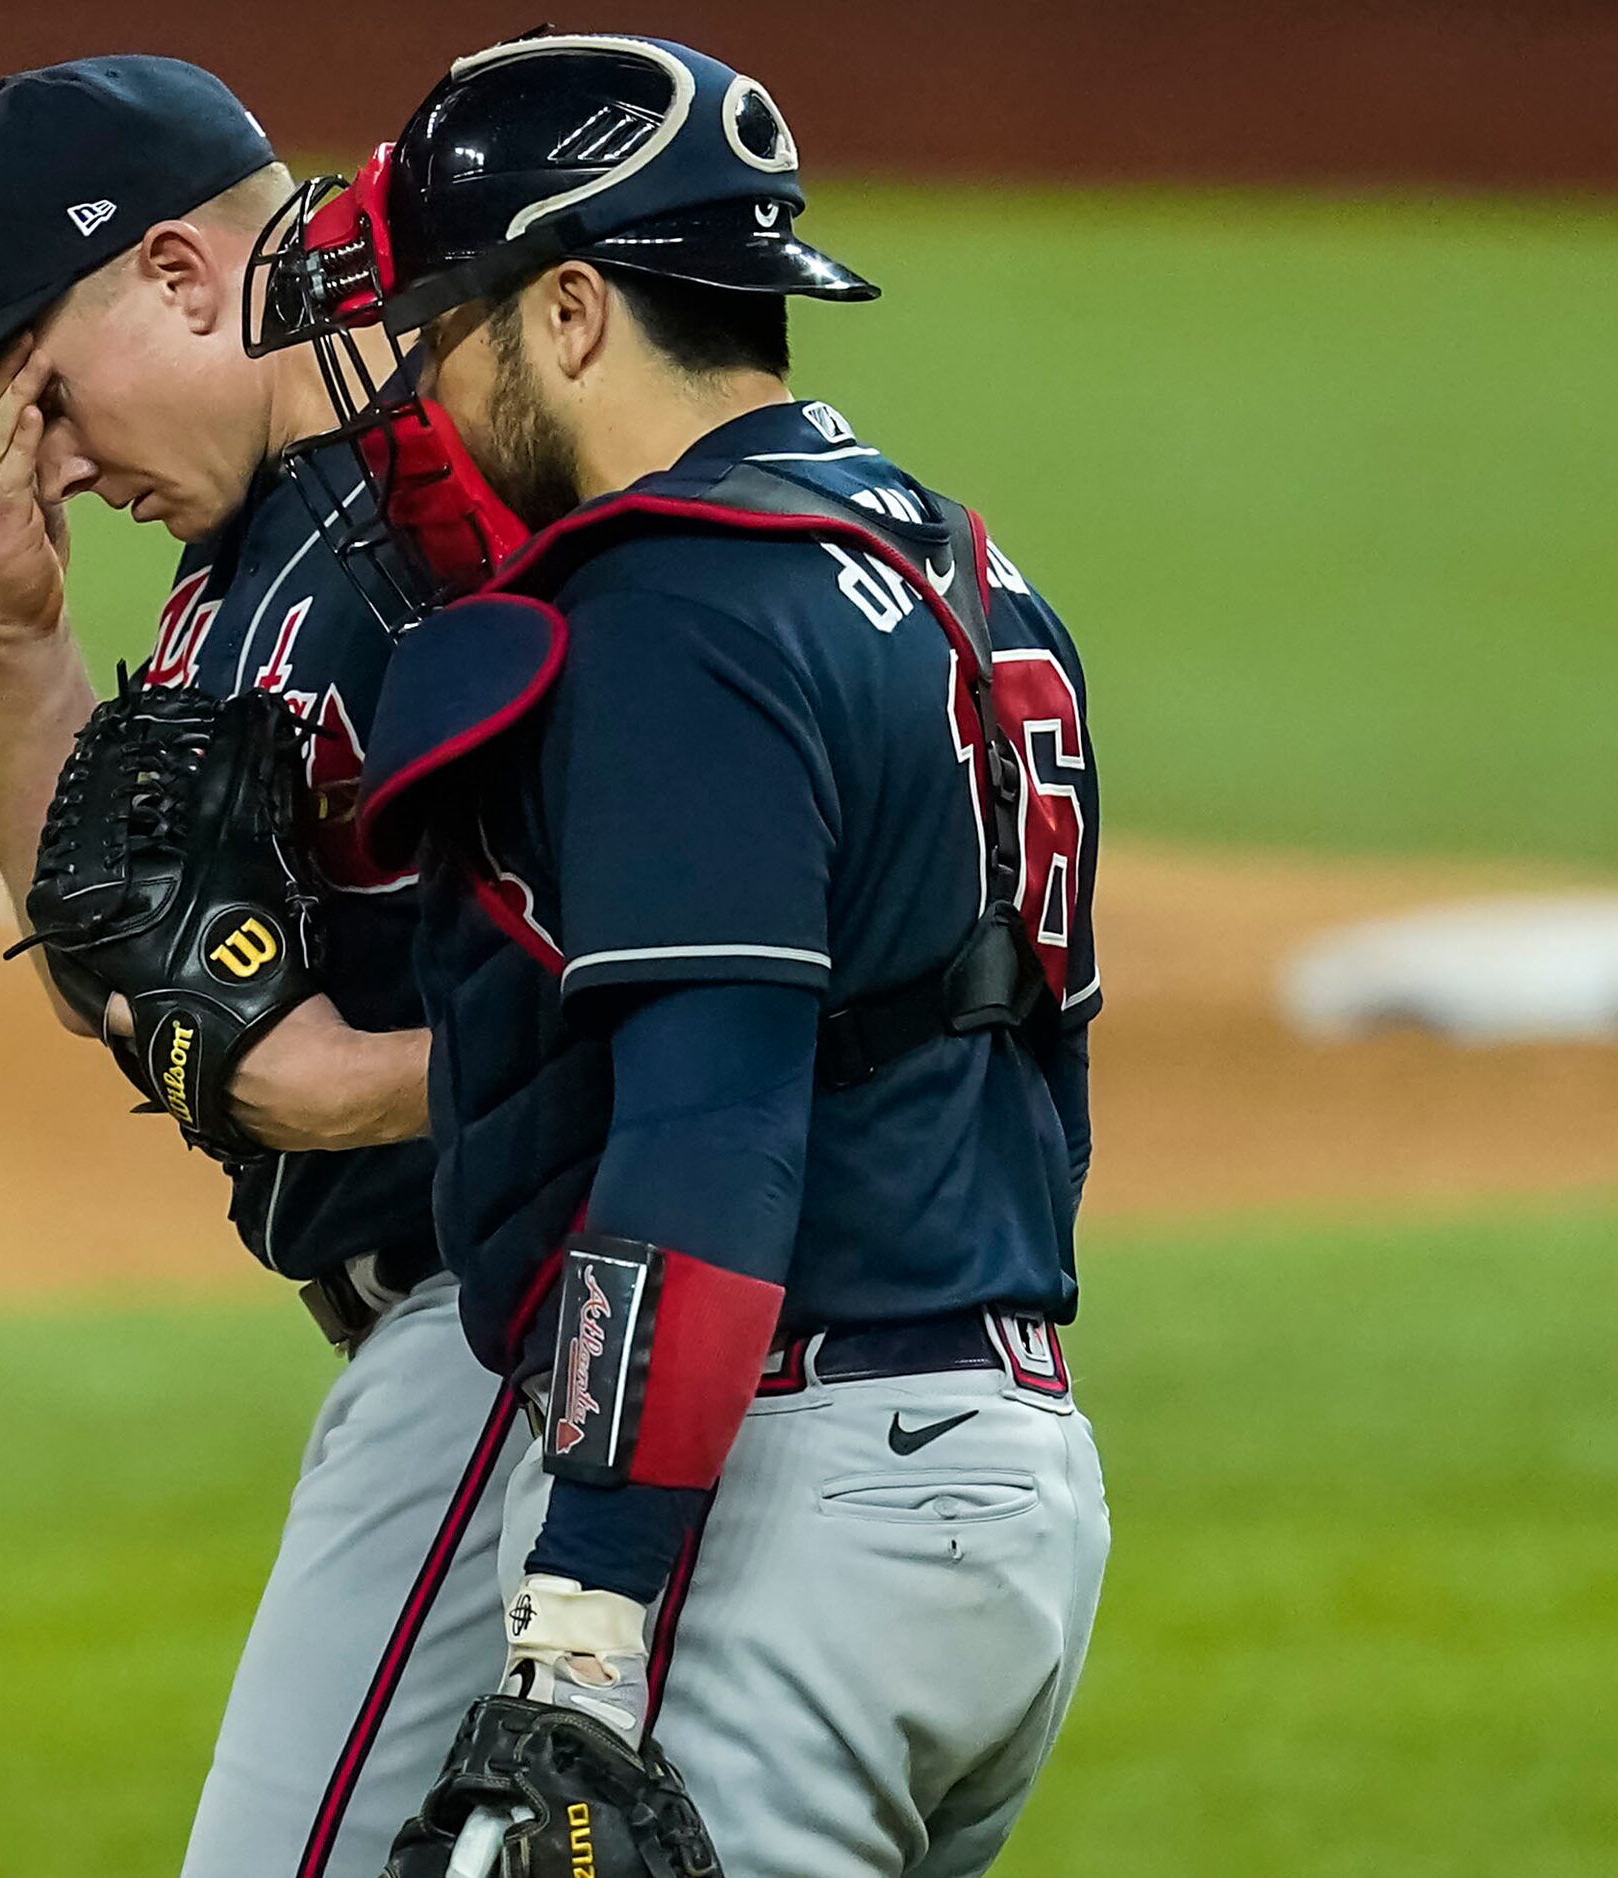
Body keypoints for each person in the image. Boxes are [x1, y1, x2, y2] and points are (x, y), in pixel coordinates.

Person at [248, 33, 1112, 1877]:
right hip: (1009, 1488)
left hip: (779, 1520)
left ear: (570, 311)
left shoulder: (673, 613)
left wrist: (582, 1619)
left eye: (447, 321)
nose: (425, 381)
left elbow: (707, 1139)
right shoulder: (963, 568)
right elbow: (1045, 1078)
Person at [0, 57, 519, 1878]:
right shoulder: (247, 558)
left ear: (174, 271)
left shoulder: (460, 488)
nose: (49, 457)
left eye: (46, 395)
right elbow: (103, 941)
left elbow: (675, 963)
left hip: (512, 1320)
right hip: (471, 1331)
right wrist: (22, 632)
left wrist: (332, 1085)